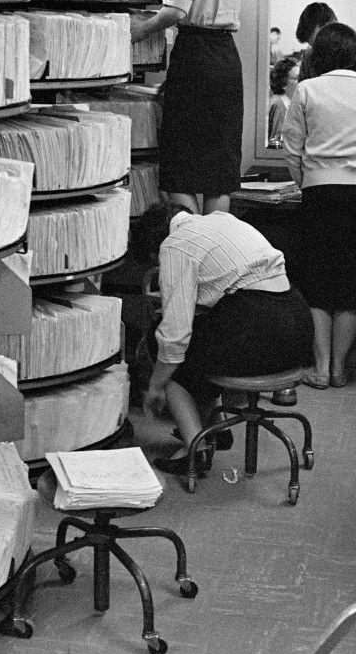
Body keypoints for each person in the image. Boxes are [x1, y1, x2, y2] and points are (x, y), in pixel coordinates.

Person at [130, 202, 314, 476]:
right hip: (298, 325)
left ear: (154, 246)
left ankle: (196, 447)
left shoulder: (174, 245)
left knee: (166, 346)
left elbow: (175, 336)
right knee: (209, 341)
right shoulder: (224, 220)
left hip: (257, 329)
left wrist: (155, 386)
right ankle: (218, 425)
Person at [281, 22, 356, 389]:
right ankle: (340, 369)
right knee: (353, 284)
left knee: (317, 282)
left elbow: (292, 147)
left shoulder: (307, 91)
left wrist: (307, 182)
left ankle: (320, 367)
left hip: (323, 193)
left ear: (320, 55)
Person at [130, 0, 248, 217]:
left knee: (181, 163)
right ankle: (215, 257)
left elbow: (177, 10)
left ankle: (188, 253)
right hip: (227, 59)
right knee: (219, 171)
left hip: (194, 55)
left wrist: (140, 30)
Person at [296, 2, 356, 117]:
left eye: (319, 42)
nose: (318, 49)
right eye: (314, 45)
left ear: (332, 27)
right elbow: (300, 106)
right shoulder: (309, 56)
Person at [267, 56, 300, 146]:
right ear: (283, 82)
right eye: (296, 78)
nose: (300, 82)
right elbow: (275, 141)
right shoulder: (279, 103)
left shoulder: (289, 102)